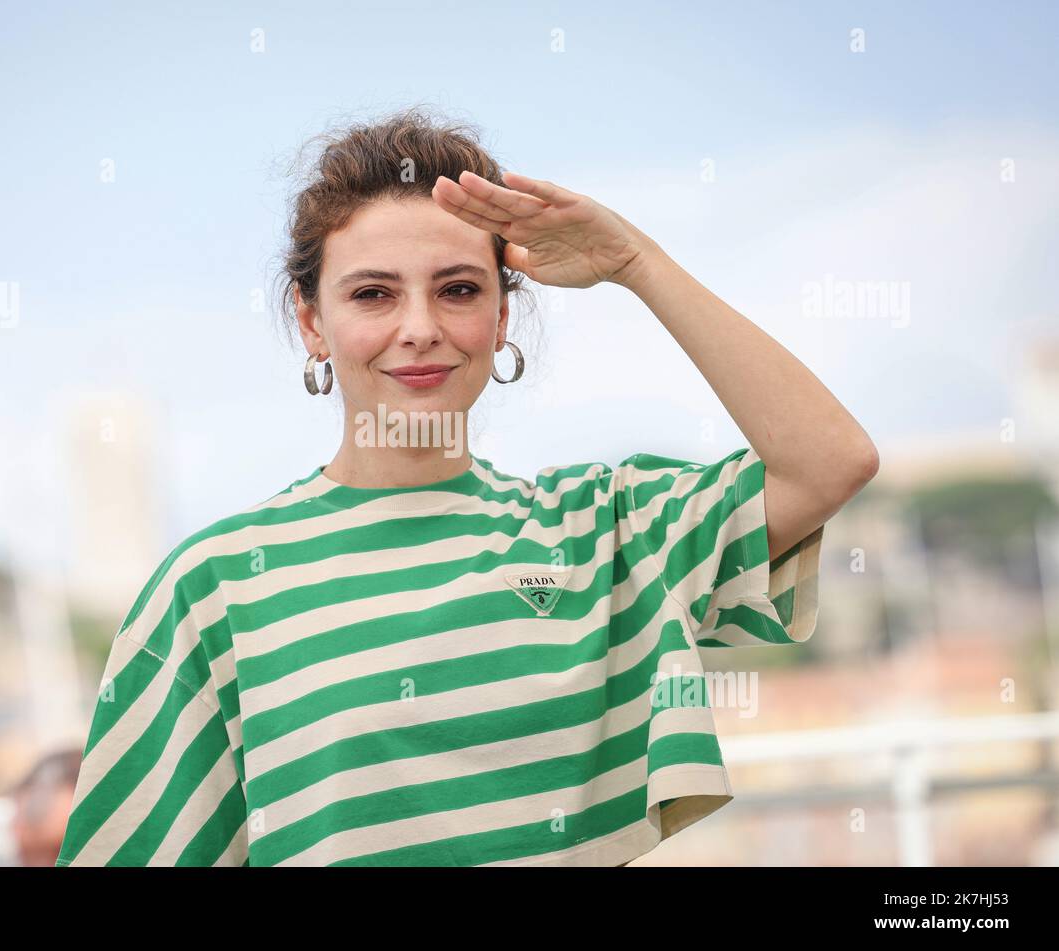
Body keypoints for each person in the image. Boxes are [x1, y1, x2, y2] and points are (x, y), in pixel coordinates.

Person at [56, 106, 878, 867]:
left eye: (458, 289)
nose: (420, 328)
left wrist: (636, 262)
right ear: (311, 321)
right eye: (373, 293)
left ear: (502, 316)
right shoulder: (215, 587)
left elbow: (829, 461)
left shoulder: (603, 532)